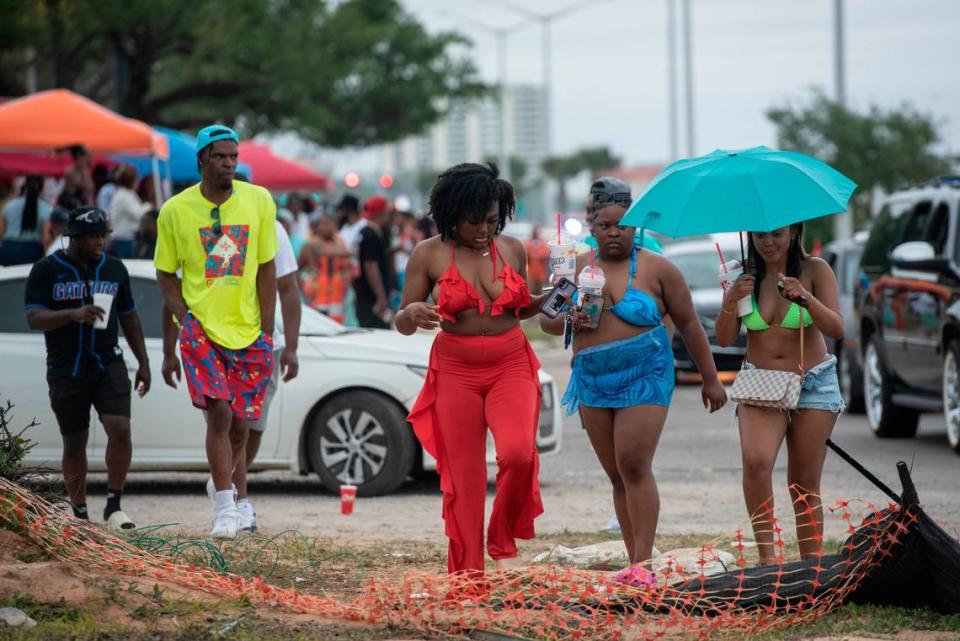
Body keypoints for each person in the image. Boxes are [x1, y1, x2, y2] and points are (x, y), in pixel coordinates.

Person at [540, 181, 727, 577]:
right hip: (592, 379)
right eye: (605, 225)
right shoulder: (574, 270)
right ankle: (633, 563)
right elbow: (547, 320)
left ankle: (644, 564)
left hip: (646, 374)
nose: (613, 232)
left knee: (634, 463)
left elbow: (690, 324)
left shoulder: (660, 270)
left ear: (636, 226)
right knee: (616, 474)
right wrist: (569, 317)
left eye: (622, 225)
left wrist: (711, 379)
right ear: (591, 227)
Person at [396, 162, 549, 575]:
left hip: (511, 362)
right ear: (451, 213)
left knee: (517, 454)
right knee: (464, 480)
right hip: (455, 369)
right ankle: (468, 578)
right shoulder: (427, 254)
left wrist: (554, 297)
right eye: (474, 221)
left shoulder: (512, 249)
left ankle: (501, 534)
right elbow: (402, 322)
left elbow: (522, 306)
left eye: (493, 221)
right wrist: (412, 312)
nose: (484, 229)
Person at [154, 124, 278, 539]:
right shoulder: (174, 210)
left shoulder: (259, 201)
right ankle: (225, 506)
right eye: (220, 156)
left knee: (242, 425)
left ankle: (225, 484)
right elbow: (165, 273)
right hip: (200, 330)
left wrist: (267, 329)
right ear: (202, 159)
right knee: (220, 414)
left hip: (247, 331)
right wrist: (183, 318)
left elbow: (266, 268)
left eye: (233, 157)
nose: (228, 163)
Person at [715, 224, 844, 566]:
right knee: (756, 463)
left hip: (812, 383)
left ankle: (811, 567)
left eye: (776, 233)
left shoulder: (816, 270)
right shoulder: (742, 275)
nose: (768, 242)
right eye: (759, 235)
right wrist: (730, 299)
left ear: (794, 231)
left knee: (802, 484)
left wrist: (806, 298)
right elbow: (725, 339)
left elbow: (837, 328)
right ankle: (769, 563)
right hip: (760, 384)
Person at [24, 206, 151, 532]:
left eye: (103, 236)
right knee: (74, 441)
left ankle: (114, 505)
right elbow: (33, 317)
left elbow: (130, 316)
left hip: (107, 360)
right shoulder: (47, 269)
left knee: (120, 426)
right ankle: (79, 512)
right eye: (92, 236)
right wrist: (73, 314)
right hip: (67, 367)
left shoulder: (114, 269)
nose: (100, 242)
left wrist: (145, 363)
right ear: (74, 238)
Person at [299, 212, 352, 323]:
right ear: (317, 227)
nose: (327, 227)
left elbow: (348, 267)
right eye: (323, 224)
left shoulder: (340, 243)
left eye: (329, 223)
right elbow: (297, 268)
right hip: (317, 296)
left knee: (337, 325)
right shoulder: (311, 245)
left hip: (337, 296)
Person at [354, 195, 393, 328]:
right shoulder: (370, 234)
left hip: (367, 296)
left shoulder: (370, 232)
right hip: (371, 299)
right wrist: (381, 296)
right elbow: (371, 266)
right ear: (381, 212)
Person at [0, 175, 53, 265]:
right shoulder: (47, 208)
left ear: (25, 186)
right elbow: (46, 238)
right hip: (31, 251)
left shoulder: (9, 205)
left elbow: (1, 233)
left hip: (8, 249)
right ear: (42, 188)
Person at [109, 164, 153, 258]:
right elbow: (138, 214)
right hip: (122, 239)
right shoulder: (123, 196)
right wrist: (149, 205)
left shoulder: (129, 194)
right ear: (130, 181)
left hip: (127, 238)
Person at [523, 225, 550, 295]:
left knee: (541, 293)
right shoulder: (527, 243)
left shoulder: (542, 244)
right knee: (531, 293)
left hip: (541, 274)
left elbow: (546, 255)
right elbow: (524, 256)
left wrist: (534, 255)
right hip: (530, 274)